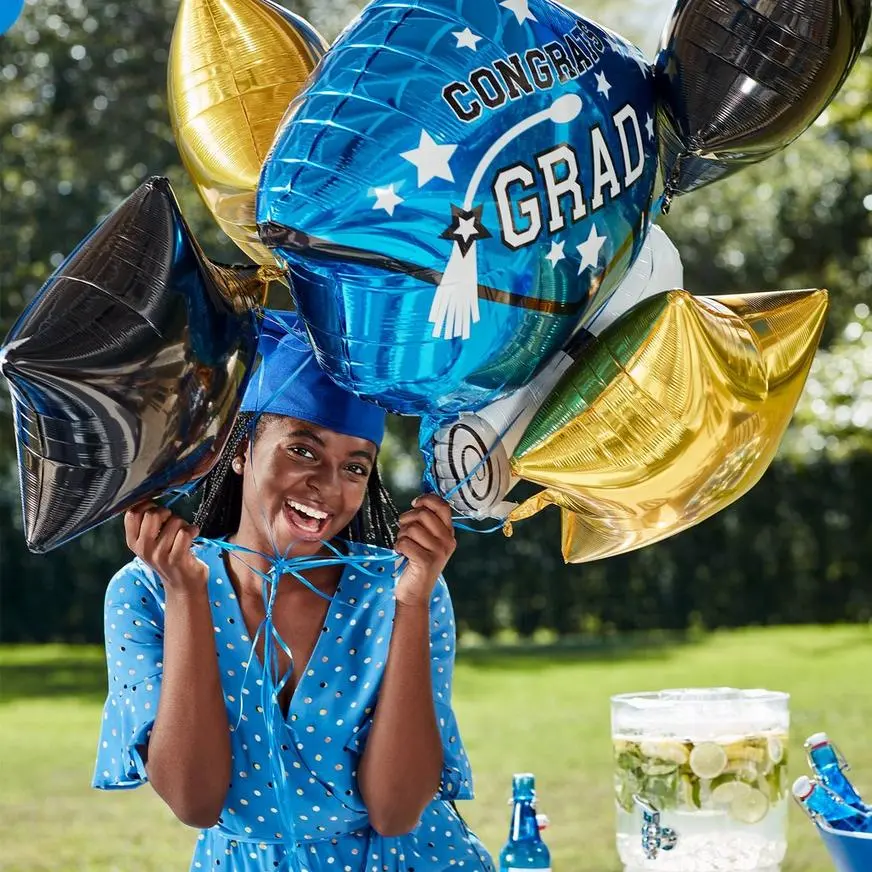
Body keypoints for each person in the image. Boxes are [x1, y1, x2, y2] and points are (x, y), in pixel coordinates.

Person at [93, 313, 495, 872]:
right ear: (239, 449)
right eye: (302, 450)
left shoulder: (402, 587)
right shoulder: (147, 592)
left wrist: (412, 603)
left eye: (355, 466)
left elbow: (398, 811)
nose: (329, 487)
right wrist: (186, 593)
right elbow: (195, 801)